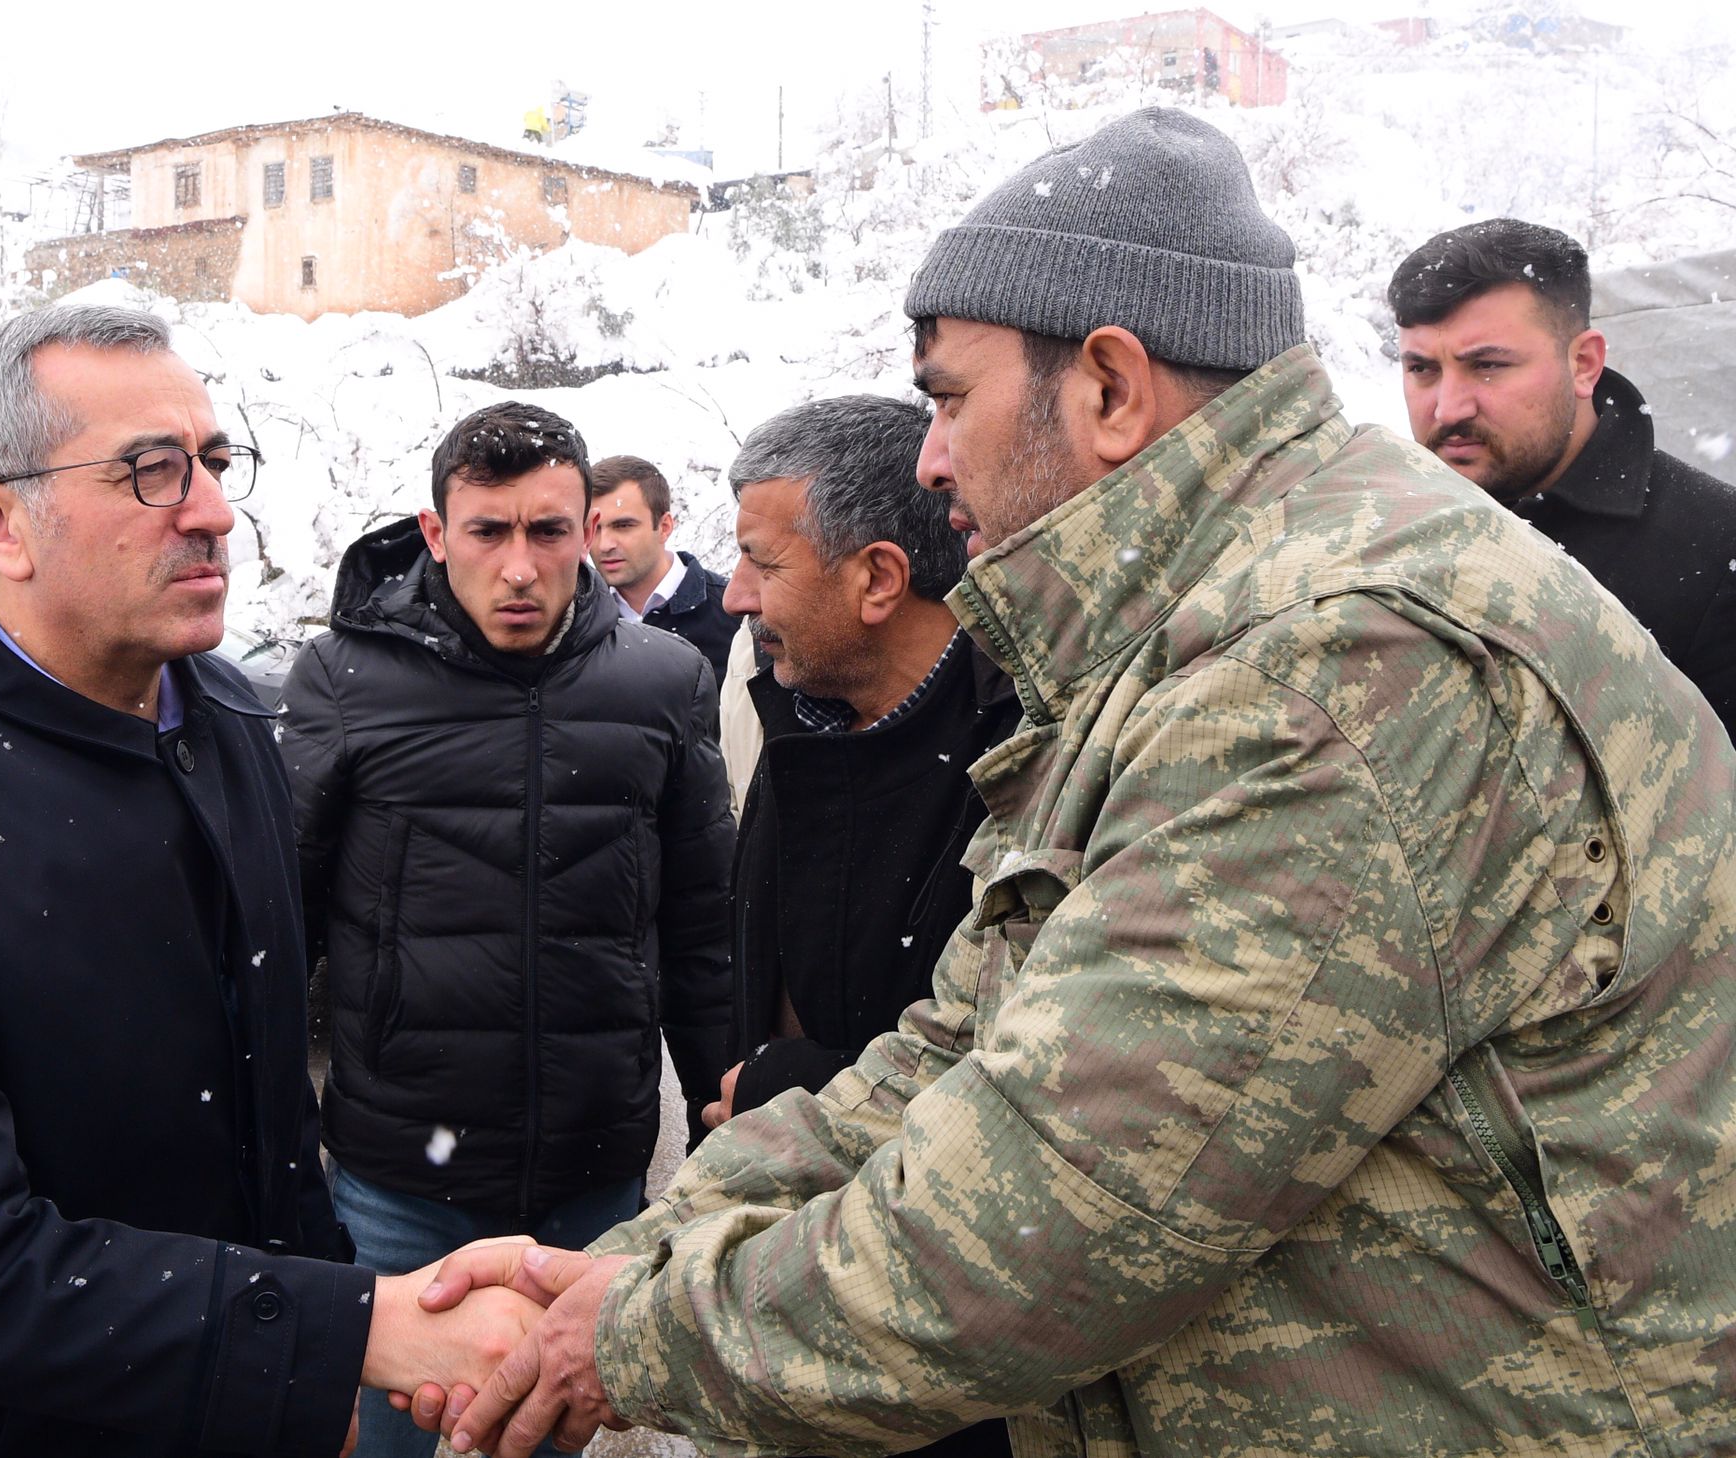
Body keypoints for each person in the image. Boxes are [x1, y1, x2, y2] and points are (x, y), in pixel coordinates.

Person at [407, 108, 1736, 1458]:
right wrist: (650, 1253)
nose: (928, 460)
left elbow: (1043, 1218)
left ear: (1108, 385)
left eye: (946, 398)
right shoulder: (1206, 623)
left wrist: (626, 1334)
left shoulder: (1330, 667)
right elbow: (971, 1045)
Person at [0, 304, 536, 1458]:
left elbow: (267, 1124)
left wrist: (303, 1391)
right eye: (151, 471)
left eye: (213, 462)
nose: (211, 512)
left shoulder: (232, 723)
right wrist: (347, 1333)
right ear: (1, 523)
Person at [278, 401, 733, 1458]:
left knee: (542, 1440)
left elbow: (703, 929)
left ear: (587, 529)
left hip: (592, 1171)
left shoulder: (662, 683)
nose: (520, 566)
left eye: (548, 531)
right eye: (488, 531)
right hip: (399, 1175)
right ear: (436, 534)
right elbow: (279, 925)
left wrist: (725, 1127)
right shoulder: (345, 681)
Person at [701, 396, 1020, 1145]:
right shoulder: (799, 717)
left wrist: (783, 1089)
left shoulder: (1018, 762)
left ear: (878, 578)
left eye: (763, 562)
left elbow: (1012, 1083)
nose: (733, 595)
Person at [1390, 217, 1736, 735]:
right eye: (1422, 369)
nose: (1447, 409)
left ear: (1583, 363)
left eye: (1486, 365)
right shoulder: (1387, 522)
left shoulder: (1714, 549)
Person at [589, 454, 742, 686]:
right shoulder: (579, 618)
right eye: (593, 529)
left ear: (664, 527)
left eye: (623, 526)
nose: (605, 544)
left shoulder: (733, 613)